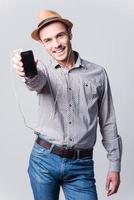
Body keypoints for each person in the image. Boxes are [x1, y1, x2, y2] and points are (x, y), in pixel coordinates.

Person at [12, 10, 122, 200]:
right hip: (43, 161)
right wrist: (27, 73)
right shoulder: (42, 70)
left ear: (69, 33)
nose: (56, 45)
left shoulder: (97, 74)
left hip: (81, 166)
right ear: (42, 44)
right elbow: (35, 82)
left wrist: (114, 165)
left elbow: (108, 122)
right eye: (48, 40)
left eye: (60, 35)